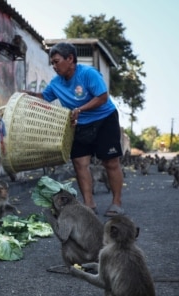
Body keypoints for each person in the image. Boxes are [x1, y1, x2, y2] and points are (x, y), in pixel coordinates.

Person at [24, 42, 124, 217]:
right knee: (79, 163)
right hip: (79, 124)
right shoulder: (56, 83)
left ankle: (116, 202)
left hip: (104, 119)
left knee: (110, 162)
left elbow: (102, 97)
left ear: (70, 59)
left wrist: (81, 109)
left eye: (56, 61)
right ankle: (89, 204)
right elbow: (44, 97)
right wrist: (26, 95)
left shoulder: (88, 74)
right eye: (52, 63)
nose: (54, 66)